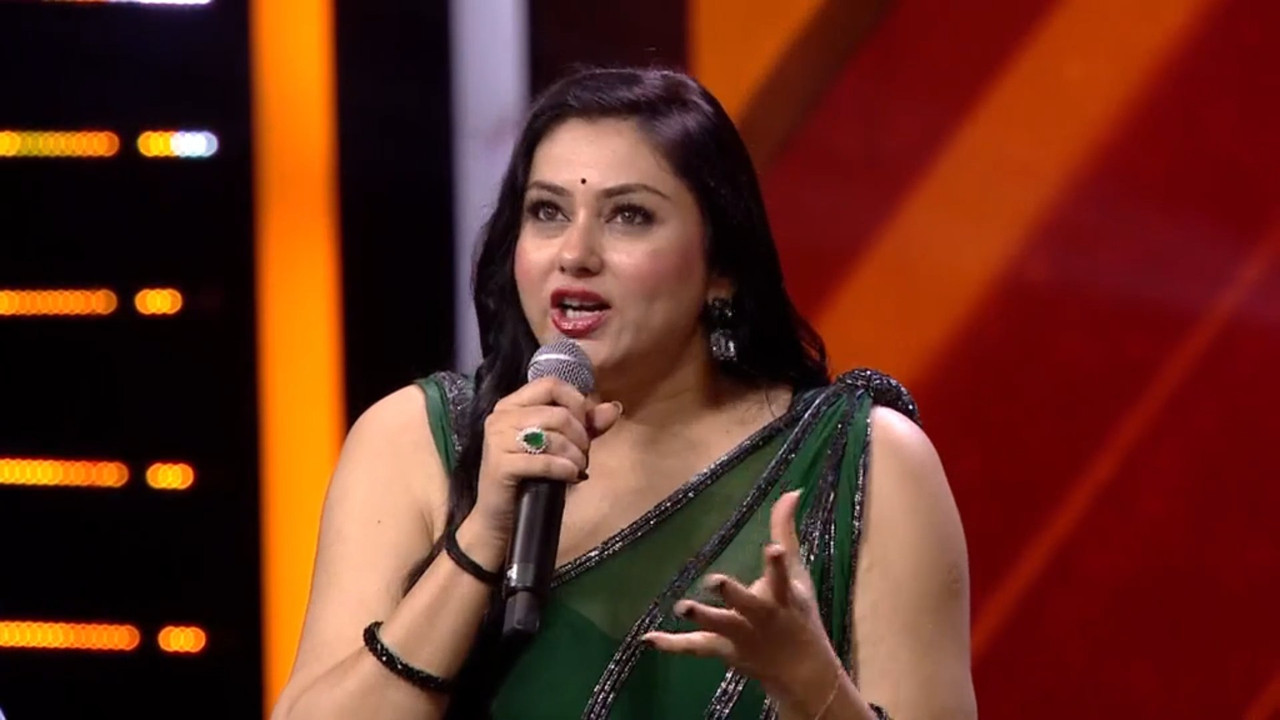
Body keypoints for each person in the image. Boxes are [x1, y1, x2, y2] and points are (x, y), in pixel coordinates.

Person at [271, 67, 976, 720]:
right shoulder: (416, 441)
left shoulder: (864, 460)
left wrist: (811, 685)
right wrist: (480, 539)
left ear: (722, 267)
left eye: (629, 216)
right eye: (547, 211)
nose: (574, 254)